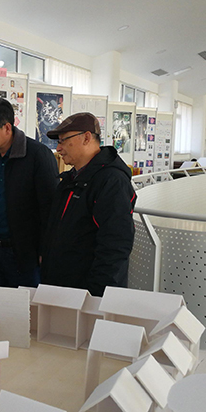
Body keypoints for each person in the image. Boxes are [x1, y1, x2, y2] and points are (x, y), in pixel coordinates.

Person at [40, 112, 136, 296]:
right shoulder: (71, 178)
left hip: (86, 293)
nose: (58, 148)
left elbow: (115, 246)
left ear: (86, 137)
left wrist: (96, 295)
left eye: (63, 141)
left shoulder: (112, 181)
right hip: (61, 286)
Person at [0, 98, 58, 287]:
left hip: (24, 253)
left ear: (7, 128)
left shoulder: (38, 155)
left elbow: (50, 209)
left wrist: (45, 251)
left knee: (26, 304)